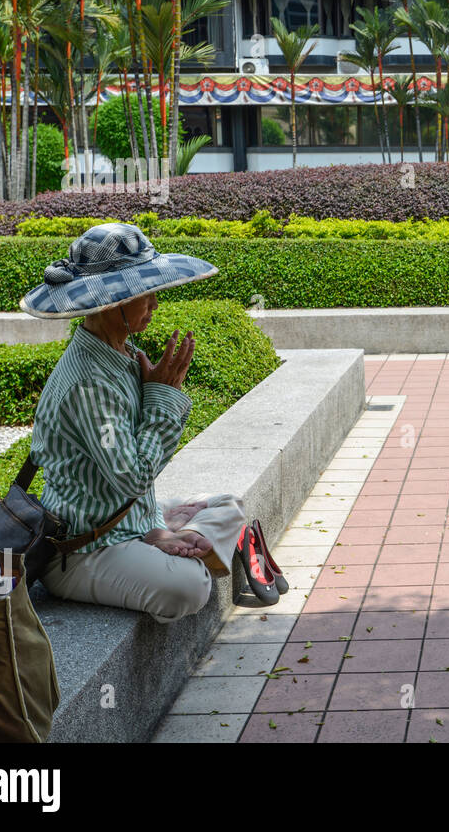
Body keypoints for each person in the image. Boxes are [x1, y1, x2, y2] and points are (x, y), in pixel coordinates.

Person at [21, 223, 280, 621]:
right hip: (86, 549)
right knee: (189, 586)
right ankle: (198, 542)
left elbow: (129, 476)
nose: (155, 305)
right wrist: (162, 399)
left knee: (230, 504)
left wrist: (153, 524)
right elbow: (132, 477)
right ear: (112, 302)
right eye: (146, 295)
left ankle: (176, 536)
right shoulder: (90, 384)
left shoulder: (120, 354)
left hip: (125, 521)